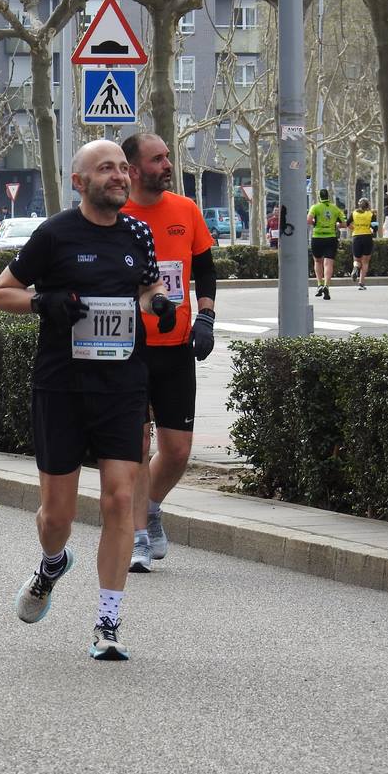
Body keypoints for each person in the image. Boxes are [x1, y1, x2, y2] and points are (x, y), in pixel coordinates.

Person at [0, 139, 175, 661]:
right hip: (62, 387)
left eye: (121, 168)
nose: (119, 176)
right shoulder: (54, 234)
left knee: (119, 498)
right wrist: (43, 301)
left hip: (122, 385)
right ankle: (52, 563)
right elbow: (0, 293)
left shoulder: (137, 232)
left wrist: (154, 302)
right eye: (106, 169)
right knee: (58, 515)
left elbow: (146, 284)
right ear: (80, 181)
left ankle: (108, 623)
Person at [120, 132, 217, 573]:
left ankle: (152, 507)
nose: (167, 164)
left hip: (176, 347)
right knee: (138, 445)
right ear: (135, 169)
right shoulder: (116, 215)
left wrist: (206, 318)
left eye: (167, 157)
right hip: (129, 349)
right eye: (158, 159)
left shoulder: (186, 209)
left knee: (177, 450)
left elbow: (206, 270)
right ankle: (138, 536)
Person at [307, 188, 346, 300]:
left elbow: (309, 220)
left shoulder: (315, 207)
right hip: (331, 238)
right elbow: (344, 224)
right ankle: (326, 285)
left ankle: (319, 283)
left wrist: (316, 224)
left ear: (319, 197)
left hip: (317, 238)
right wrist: (335, 225)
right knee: (328, 263)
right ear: (328, 196)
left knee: (317, 261)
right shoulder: (335, 208)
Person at [349, 198, 378, 290]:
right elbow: (375, 227)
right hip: (367, 237)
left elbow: (347, 223)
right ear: (368, 205)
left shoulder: (354, 213)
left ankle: (355, 268)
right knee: (365, 262)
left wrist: (354, 229)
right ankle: (361, 282)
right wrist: (371, 230)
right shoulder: (371, 214)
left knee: (357, 260)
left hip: (356, 237)